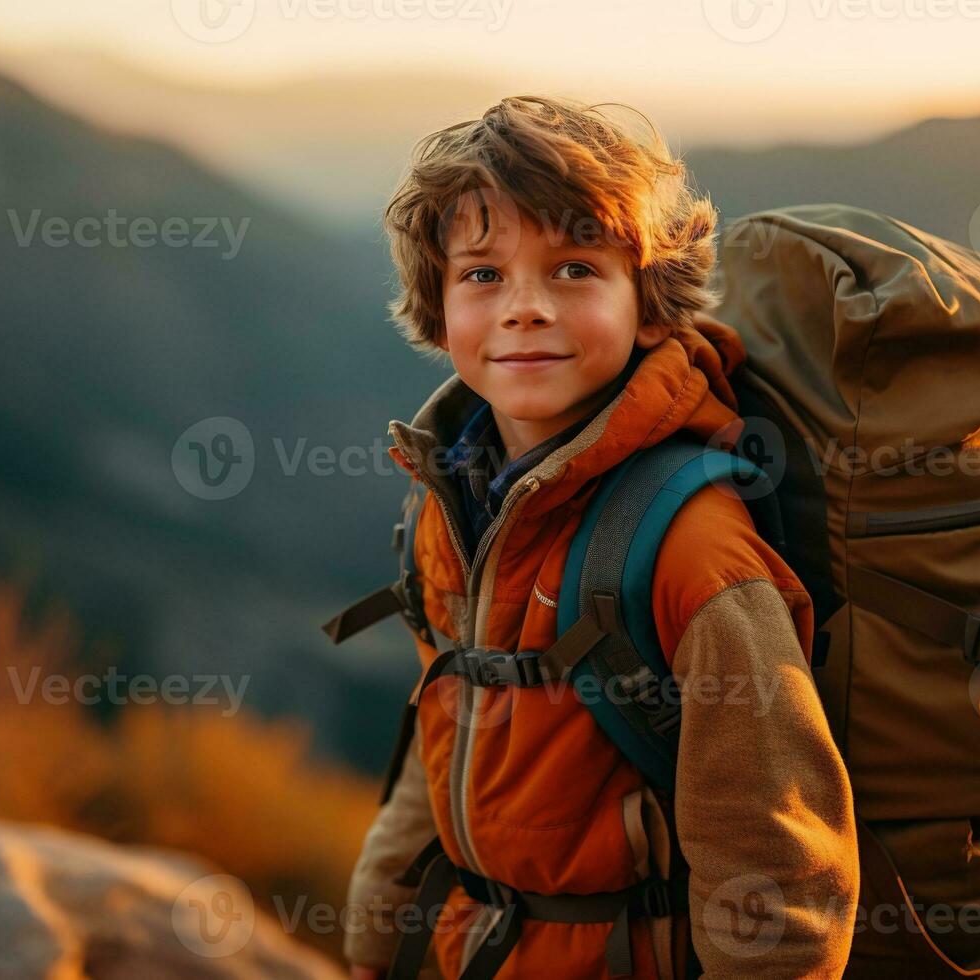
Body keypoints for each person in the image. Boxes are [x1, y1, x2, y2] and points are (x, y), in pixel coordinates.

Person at [344, 95, 858, 979]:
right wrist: (377, 932)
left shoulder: (693, 550)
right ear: (437, 308)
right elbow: (446, 745)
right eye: (482, 274)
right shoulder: (450, 504)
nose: (525, 308)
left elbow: (775, 863)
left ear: (652, 305)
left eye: (576, 269)